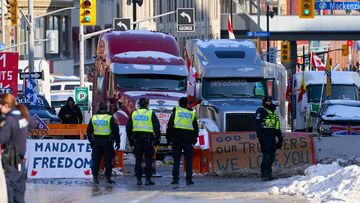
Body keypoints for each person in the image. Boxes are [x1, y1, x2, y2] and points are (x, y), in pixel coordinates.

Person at [0, 93, 29, 203]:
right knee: (19, 190)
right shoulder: (22, 116)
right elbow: (32, 124)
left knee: (10, 189)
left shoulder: (9, 120)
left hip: (10, 157)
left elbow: (2, 138)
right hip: (19, 158)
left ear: (6, 105)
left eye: (1, 105)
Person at [126, 98, 161, 186]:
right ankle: (148, 179)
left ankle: (139, 179)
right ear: (147, 104)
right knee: (148, 159)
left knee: (138, 159)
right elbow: (157, 127)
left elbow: (128, 128)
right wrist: (157, 139)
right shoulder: (150, 113)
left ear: (139, 104)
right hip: (148, 140)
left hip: (137, 139)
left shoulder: (134, 113)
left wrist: (131, 141)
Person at [167, 97, 199, 185]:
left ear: (179, 103)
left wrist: (168, 138)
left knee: (176, 160)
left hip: (176, 140)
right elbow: (196, 127)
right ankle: (189, 179)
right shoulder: (191, 112)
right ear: (187, 104)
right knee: (188, 160)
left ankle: (175, 179)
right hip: (188, 140)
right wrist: (195, 138)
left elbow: (170, 125)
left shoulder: (176, 111)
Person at [87, 102, 120, 185]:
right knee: (108, 161)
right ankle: (108, 178)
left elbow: (89, 131)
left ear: (99, 108)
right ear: (106, 108)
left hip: (97, 142)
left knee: (96, 161)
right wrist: (117, 142)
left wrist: (91, 142)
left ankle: (95, 178)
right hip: (107, 142)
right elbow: (116, 131)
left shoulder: (94, 117)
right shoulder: (109, 118)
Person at [255, 96, 283, 181]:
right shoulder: (261, 110)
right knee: (267, 156)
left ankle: (269, 174)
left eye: (270, 101)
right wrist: (260, 137)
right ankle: (264, 174)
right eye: (267, 101)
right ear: (264, 102)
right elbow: (257, 125)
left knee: (272, 156)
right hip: (265, 136)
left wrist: (280, 137)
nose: (268, 102)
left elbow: (276, 126)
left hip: (272, 136)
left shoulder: (273, 112)